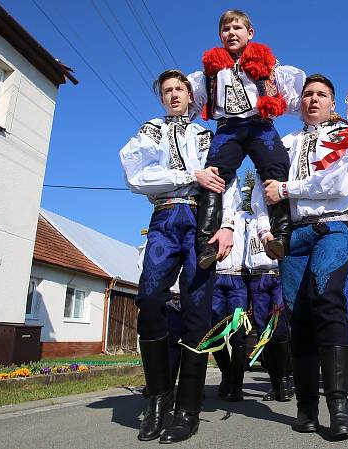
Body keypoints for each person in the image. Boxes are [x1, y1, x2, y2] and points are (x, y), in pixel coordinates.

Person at [119, 69, 237, 443]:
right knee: (150, 296)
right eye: (167, 91)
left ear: (191, 96)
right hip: (166, 216)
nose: (173, 95)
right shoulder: (150, 129)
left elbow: (226, 182)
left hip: (203, 220)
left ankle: (188, 408)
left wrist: (228, 225)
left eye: (179, 89)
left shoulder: (207, 136)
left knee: (197, 310)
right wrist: (190, 174)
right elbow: (137, 176)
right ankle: (157, 398)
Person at [253, 73, 348, 439]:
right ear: (299, 104)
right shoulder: (283, 144)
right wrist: (262, 228)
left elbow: (339, 183)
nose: (313, 99)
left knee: (327, 299)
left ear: (332, 104)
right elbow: (260, 187)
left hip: (334, 226)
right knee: (297, 315)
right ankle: (305, 405)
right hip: (293, 234)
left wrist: (287, 187)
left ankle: (339, 403)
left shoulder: (345, 136)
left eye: (321, 95)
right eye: (307, 95)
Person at [188, 9, 305, 268]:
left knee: (277, 168)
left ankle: (281, 237)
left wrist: (315, 113)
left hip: (259, 124)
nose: (231, 33)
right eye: (226, 29)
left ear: (250, 33)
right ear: (220, 36)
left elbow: (293, 96)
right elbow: (192, 103)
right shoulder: (210, 69)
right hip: (228, 126)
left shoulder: (267, 63)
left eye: (237, 28)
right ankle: (206, 242)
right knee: (214, 175)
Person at [243, 211, 294, 402]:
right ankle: (274, 383)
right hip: (256, 278)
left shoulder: (278, 214)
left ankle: (285, 380)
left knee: (279, 328)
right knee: (263, 332)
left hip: (277, 274)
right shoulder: (245, 220)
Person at [210, 200, 248, 402]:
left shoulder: (247, 220)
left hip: (239, 279)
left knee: (239, 334)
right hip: (214, 278)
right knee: (215, 331)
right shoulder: (211, 213)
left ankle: (237, 385)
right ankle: (227, 372)